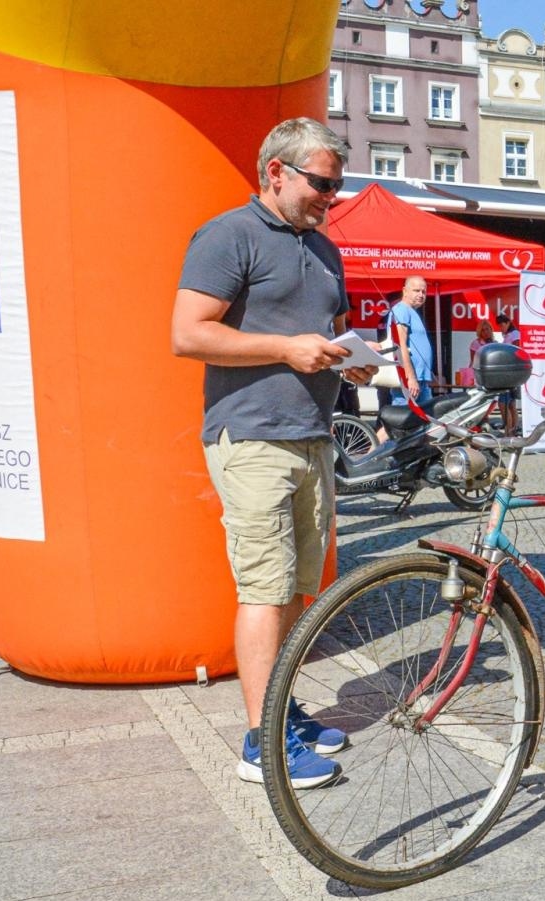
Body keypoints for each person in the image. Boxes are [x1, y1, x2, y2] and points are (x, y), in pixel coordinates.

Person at [172, 117, 376, 788]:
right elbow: (188, 334)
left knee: (296, 586)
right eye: (323, 183)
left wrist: (350, 363)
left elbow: (329, 333)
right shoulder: (228, 235)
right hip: (252, 436)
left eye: (338, 185)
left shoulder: (323, 249)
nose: (332, 196)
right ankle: (261, 742)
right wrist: (285, 348)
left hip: (311, 436)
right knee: (263, 587)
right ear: (277, 173)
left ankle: (282, 710)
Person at [387, 275, 433, 407]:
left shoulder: (412, 312)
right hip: (411, 380)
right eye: (416, 291)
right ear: (404, 291)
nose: (421, 295)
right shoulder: (402, 310)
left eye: (423, 291)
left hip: (420, 379)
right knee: (402, 422)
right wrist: (410, 377)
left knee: (422, 423)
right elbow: (400, 345)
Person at [463, 316, 494, 388]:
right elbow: (473, 361)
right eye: (483, 330)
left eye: (487, 329)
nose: (486, 332)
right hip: (478, 374)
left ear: (491, 330)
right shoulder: (476, 343)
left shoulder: (495, 343)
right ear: (480, 332)